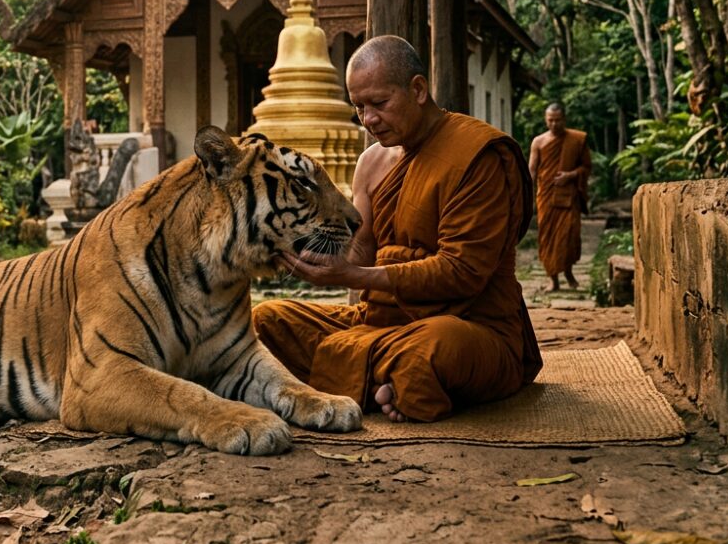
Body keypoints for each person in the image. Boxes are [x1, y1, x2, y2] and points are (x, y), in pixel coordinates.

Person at [253, 35, 542, 423]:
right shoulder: (371, 163)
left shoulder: (477, 155)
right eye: (358, 107)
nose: (368, 120)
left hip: (471, 324)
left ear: (418, 89)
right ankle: (379, 383)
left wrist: (354, 274)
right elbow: (361, 253)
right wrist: (305, 250)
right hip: (379, 323)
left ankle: (366, 377)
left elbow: (463, 273)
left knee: (430, 352)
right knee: (265, 321)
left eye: (379, 104)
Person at [528, 102, 592, 292]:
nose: (554, 124)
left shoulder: (577, 139)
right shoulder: (538, 142)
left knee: (569, 236)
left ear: (564, 119)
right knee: (547, 238)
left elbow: (587, 167)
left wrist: (570, 175)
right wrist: (525, 194)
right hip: (546, 196)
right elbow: (532, 171)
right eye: (550, 120)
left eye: (558, 120)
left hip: (569, 196)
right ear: (545, 120)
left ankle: (569, 273)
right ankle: (553, 279)